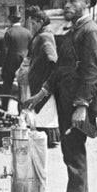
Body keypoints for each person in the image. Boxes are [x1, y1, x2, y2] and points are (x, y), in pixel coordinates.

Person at [24, 0, 97, 192]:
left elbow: (93, 71)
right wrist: (42, 93)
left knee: (74, 154)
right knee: (74, 153)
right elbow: (61, 69)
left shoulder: (89, 31)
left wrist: (81, 106)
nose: (66, 5)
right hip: (68, 100)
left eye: (72, 1)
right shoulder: (74, 30)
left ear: (87, 3)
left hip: (77, 103)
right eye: (66, 1)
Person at [27, 8, 60, 148]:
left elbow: (52, 59)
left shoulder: (44, 36)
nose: (32, 27)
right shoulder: (44, 34)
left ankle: (47, 137)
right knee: (44, 110)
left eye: (34, 24)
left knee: (45, 110)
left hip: (44, 80)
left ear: (41, 22)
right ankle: (45, 136)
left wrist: (47, 78)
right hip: (42, 79)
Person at [1, 6, 32, 98]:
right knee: (22, 86)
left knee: (7, 83)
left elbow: (6, 50)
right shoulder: (28, 32)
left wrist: (2, 65)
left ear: (10, 19)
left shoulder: (9, 32)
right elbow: (31, 48)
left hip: (11, 62)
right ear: (21, 19)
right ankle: (21, 107)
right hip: (24, 61)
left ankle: (4, 105)